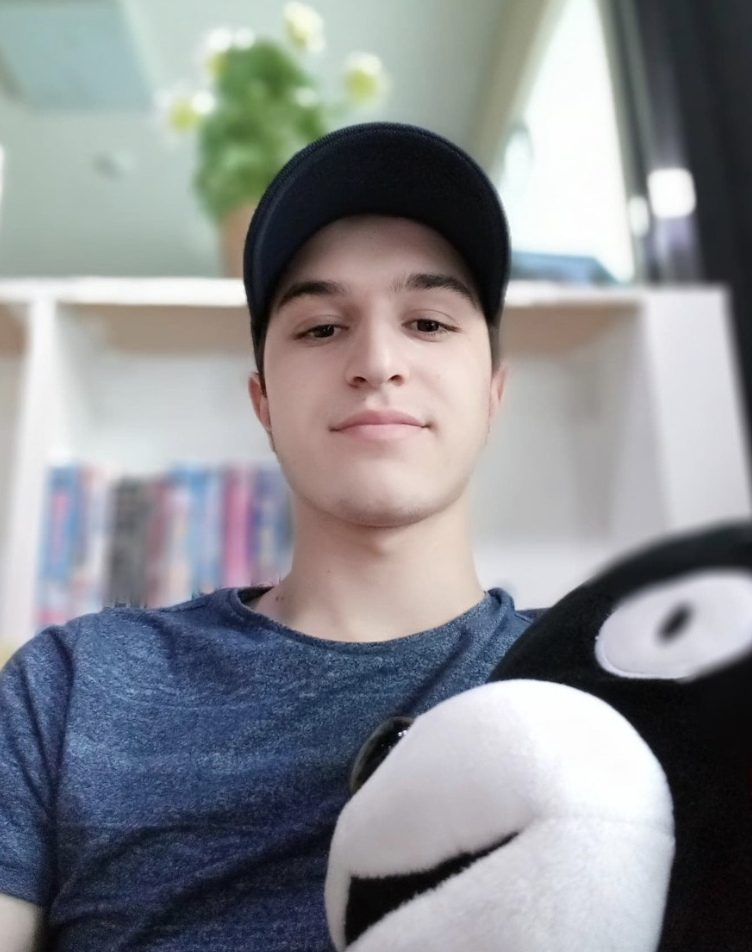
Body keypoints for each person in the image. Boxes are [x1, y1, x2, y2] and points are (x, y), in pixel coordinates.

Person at [0, 122, 545, 951]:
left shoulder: (600, 683)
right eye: (321, 328)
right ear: (263, 403)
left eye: (430, 322)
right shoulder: (71, 685)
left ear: (494, 393)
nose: (378, 362)